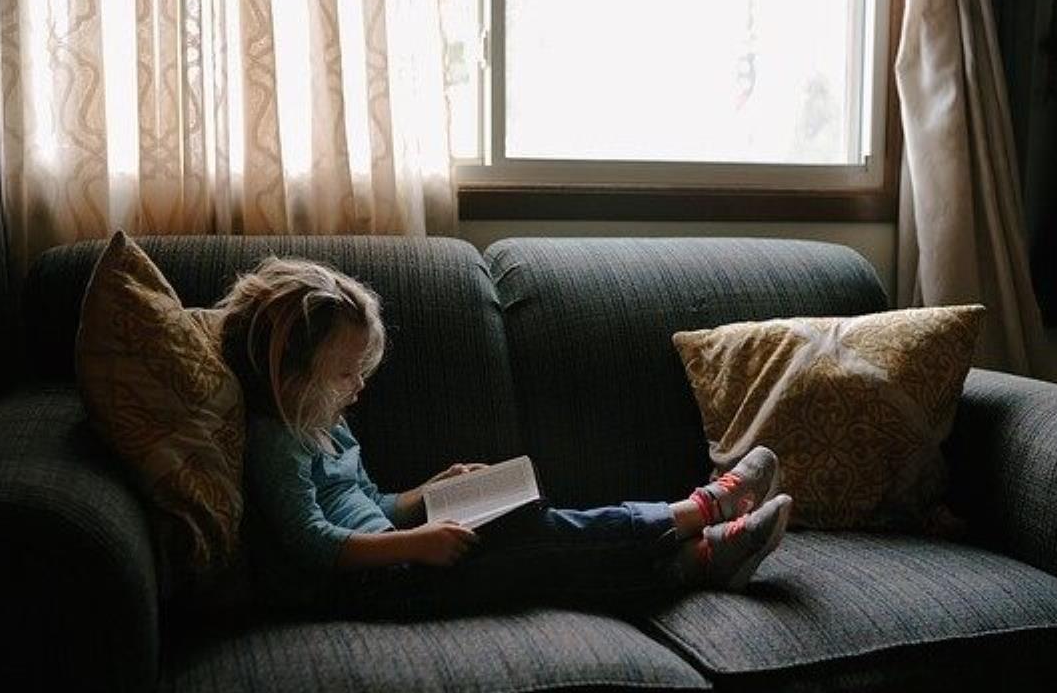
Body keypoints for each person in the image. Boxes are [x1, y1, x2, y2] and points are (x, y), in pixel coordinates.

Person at [217, 257, 792, 619]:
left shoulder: (326, 423)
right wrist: (416, 543)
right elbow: (313, 541)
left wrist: (425, 494)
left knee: (537, 544)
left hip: (396, 561)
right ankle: (701, 510)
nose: (359, 386)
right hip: (375, 587)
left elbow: (370, 504)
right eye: (344, 374)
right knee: (534, 540)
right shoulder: (277, 441)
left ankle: (698, 559)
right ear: (290, 373)